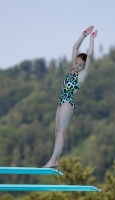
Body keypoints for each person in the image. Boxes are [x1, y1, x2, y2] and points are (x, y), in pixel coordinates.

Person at [43, 26, 98, 168]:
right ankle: (55, 159)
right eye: (76, 62)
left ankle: (53, 160)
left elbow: (90, 56)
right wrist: (84, 35)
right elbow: (75, 48)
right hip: (61, 102)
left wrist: (91, 39)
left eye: (81, 65)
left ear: (84, 67)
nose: (77, 65)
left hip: (68, 102)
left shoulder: (81, 75)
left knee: (60, 131)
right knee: (57, 131)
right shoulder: (72, 69)